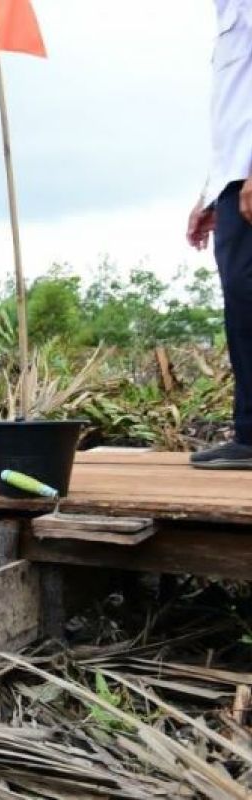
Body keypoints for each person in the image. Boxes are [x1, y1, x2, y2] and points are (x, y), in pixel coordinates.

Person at [187, 0, 252, 469]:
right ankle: (249, 432)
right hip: (234, 178)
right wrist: (211, 192)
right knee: (242, 303)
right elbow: (234, 112)